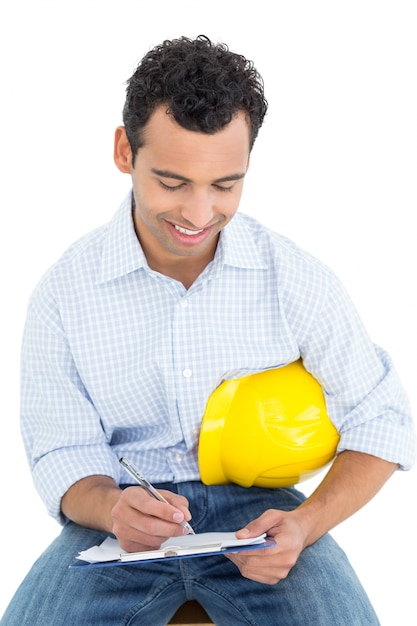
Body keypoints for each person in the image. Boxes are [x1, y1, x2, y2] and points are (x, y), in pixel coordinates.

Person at [2, 35, 415, 626]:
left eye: (225, 185)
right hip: (121, 521)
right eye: (172, 183)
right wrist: (114, 506)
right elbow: (62, 452)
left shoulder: (293, 277)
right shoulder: (64, 292)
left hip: (263, 517)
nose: (199, 214)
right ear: (125, 151)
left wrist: (306, 523)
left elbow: (383, 420)